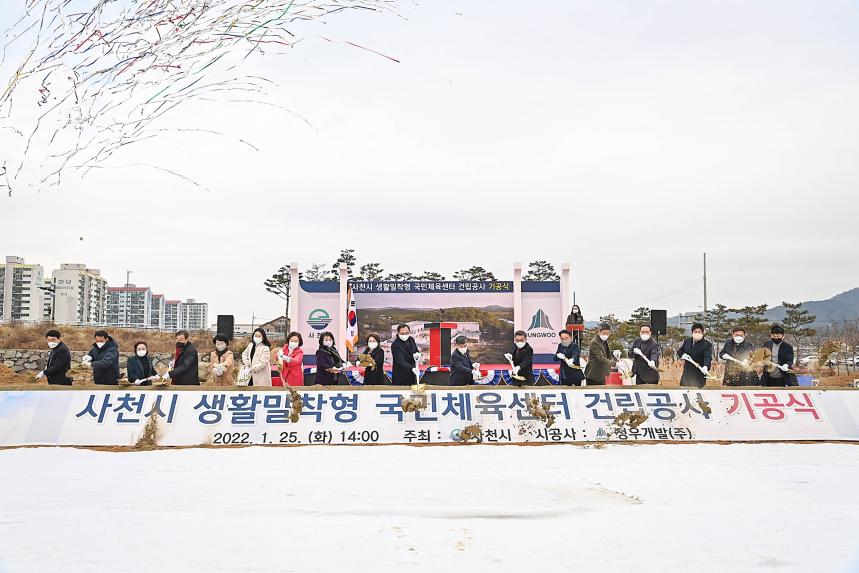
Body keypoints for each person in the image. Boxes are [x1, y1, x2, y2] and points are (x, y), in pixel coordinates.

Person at [677, 323, 714, 388]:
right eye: (695, 332)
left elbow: (707, 357)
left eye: (699, 332)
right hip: (687, 374)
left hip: (698, 376)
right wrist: (683, 355)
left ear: (702, 333)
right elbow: (680, 351)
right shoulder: (687, 341)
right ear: (692, 333)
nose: (697, 333)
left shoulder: (706, 344)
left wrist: (705, 366)